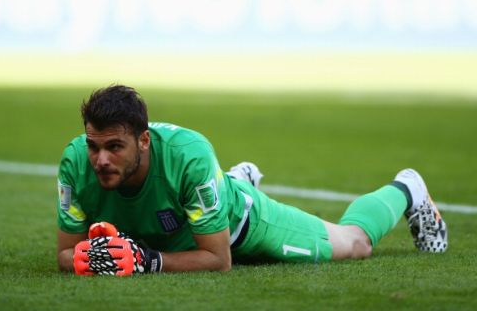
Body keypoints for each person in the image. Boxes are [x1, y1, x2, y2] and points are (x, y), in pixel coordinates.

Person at [57, 85, 448, 275]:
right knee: (202, 194)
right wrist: (85, 260)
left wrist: (149, 261)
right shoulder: (75, 163)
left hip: (239, 225)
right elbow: (63, 253)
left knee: (355, 244)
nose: (101, 159)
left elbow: (218, 259)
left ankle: (407, 189)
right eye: (94, 146)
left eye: (114, 147)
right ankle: (227, 181)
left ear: (144, 141)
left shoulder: (188, 156)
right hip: (189, 209)